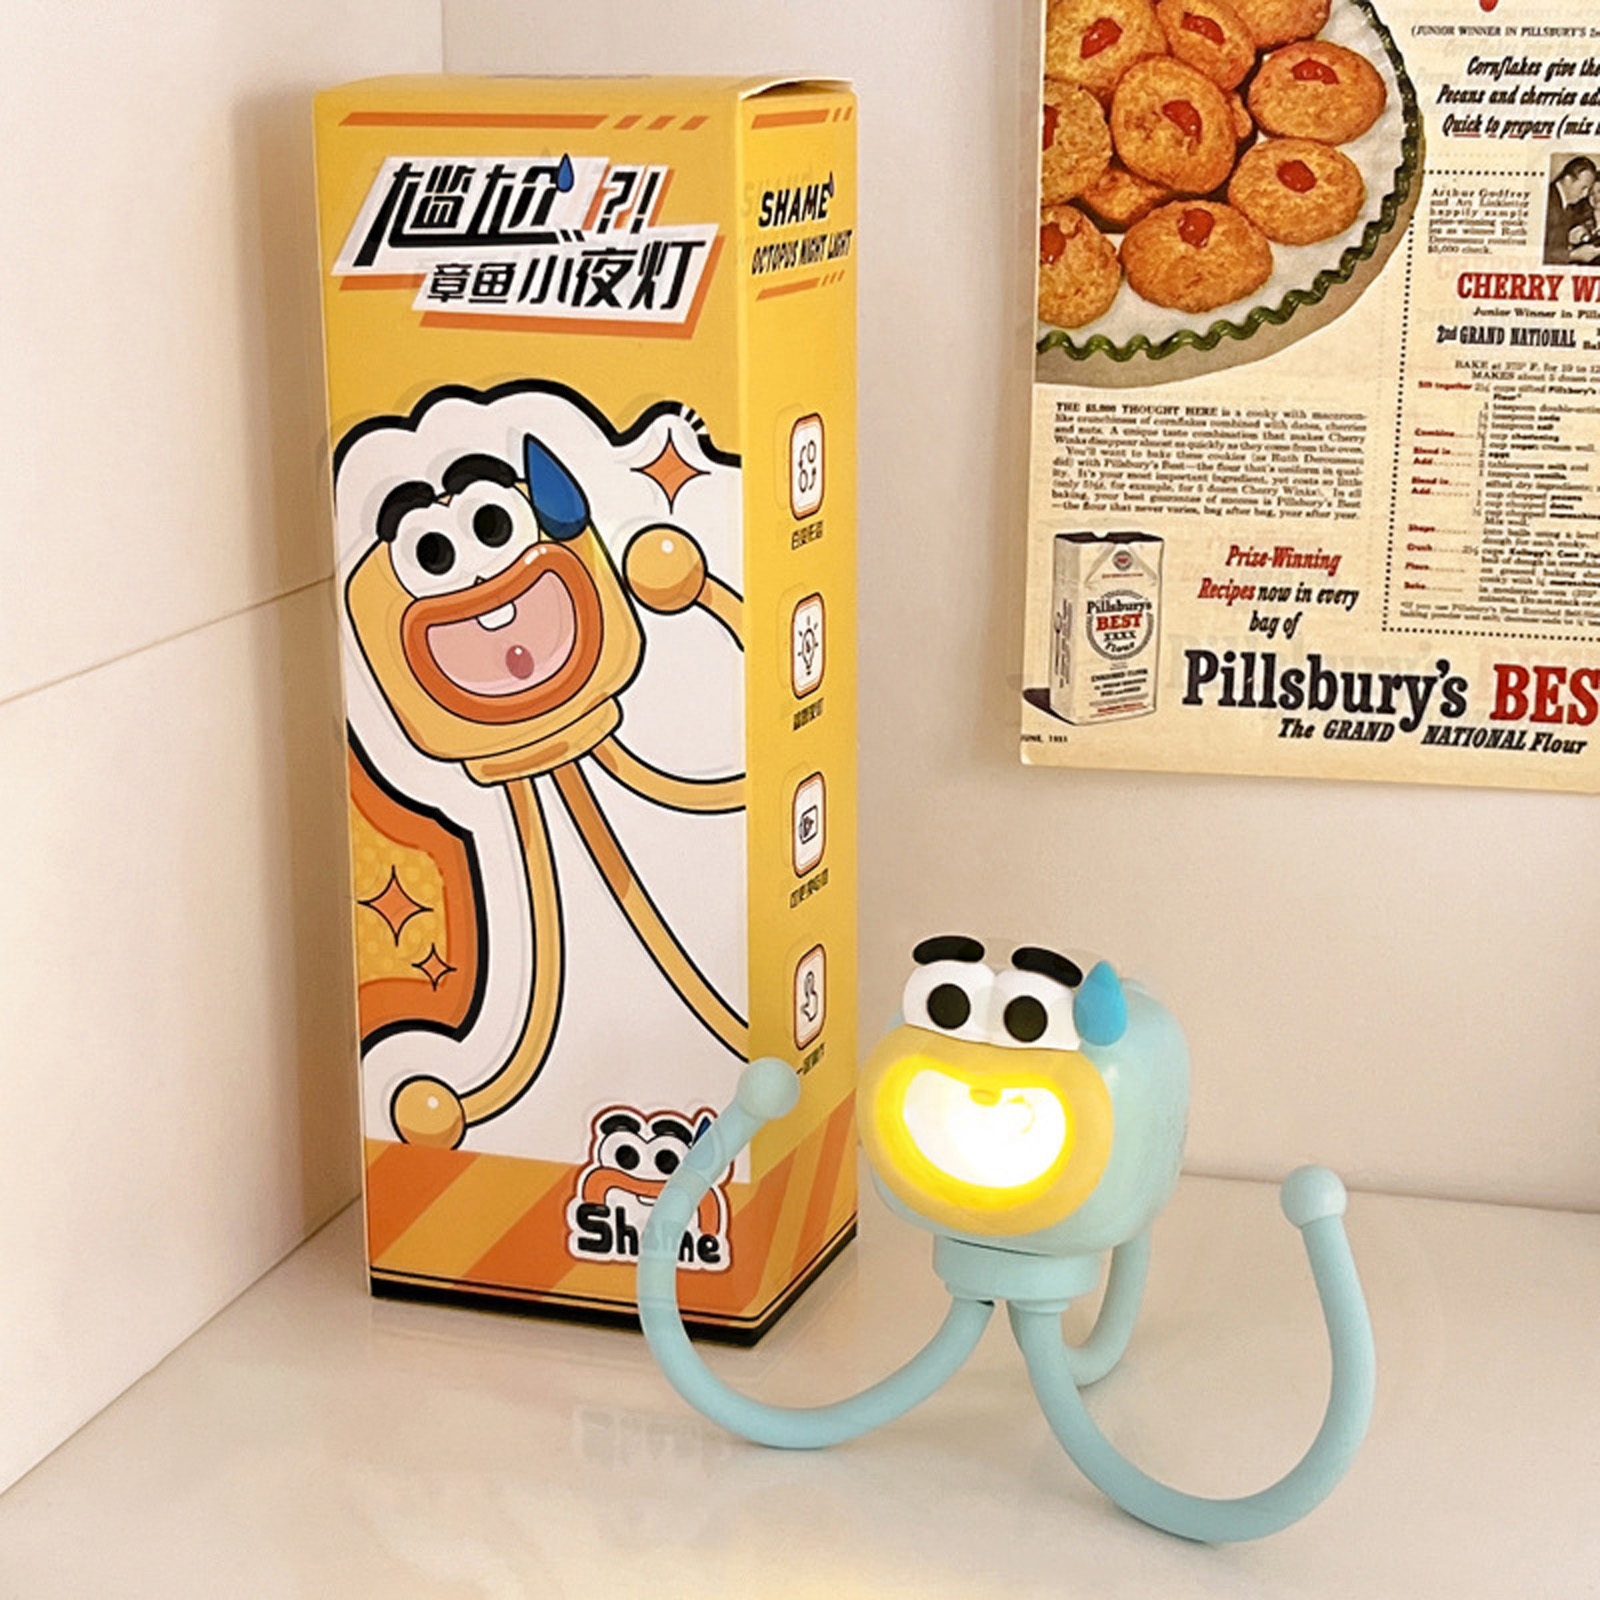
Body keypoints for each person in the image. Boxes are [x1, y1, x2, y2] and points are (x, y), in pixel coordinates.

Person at [1545, 155, 1600, 265]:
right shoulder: (1548, 201)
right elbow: (1534, 250)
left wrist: (1569, 238)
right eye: (1583, 188)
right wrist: (1573, 255)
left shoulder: (1564, 205)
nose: (1585, 194)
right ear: (1568, 180)